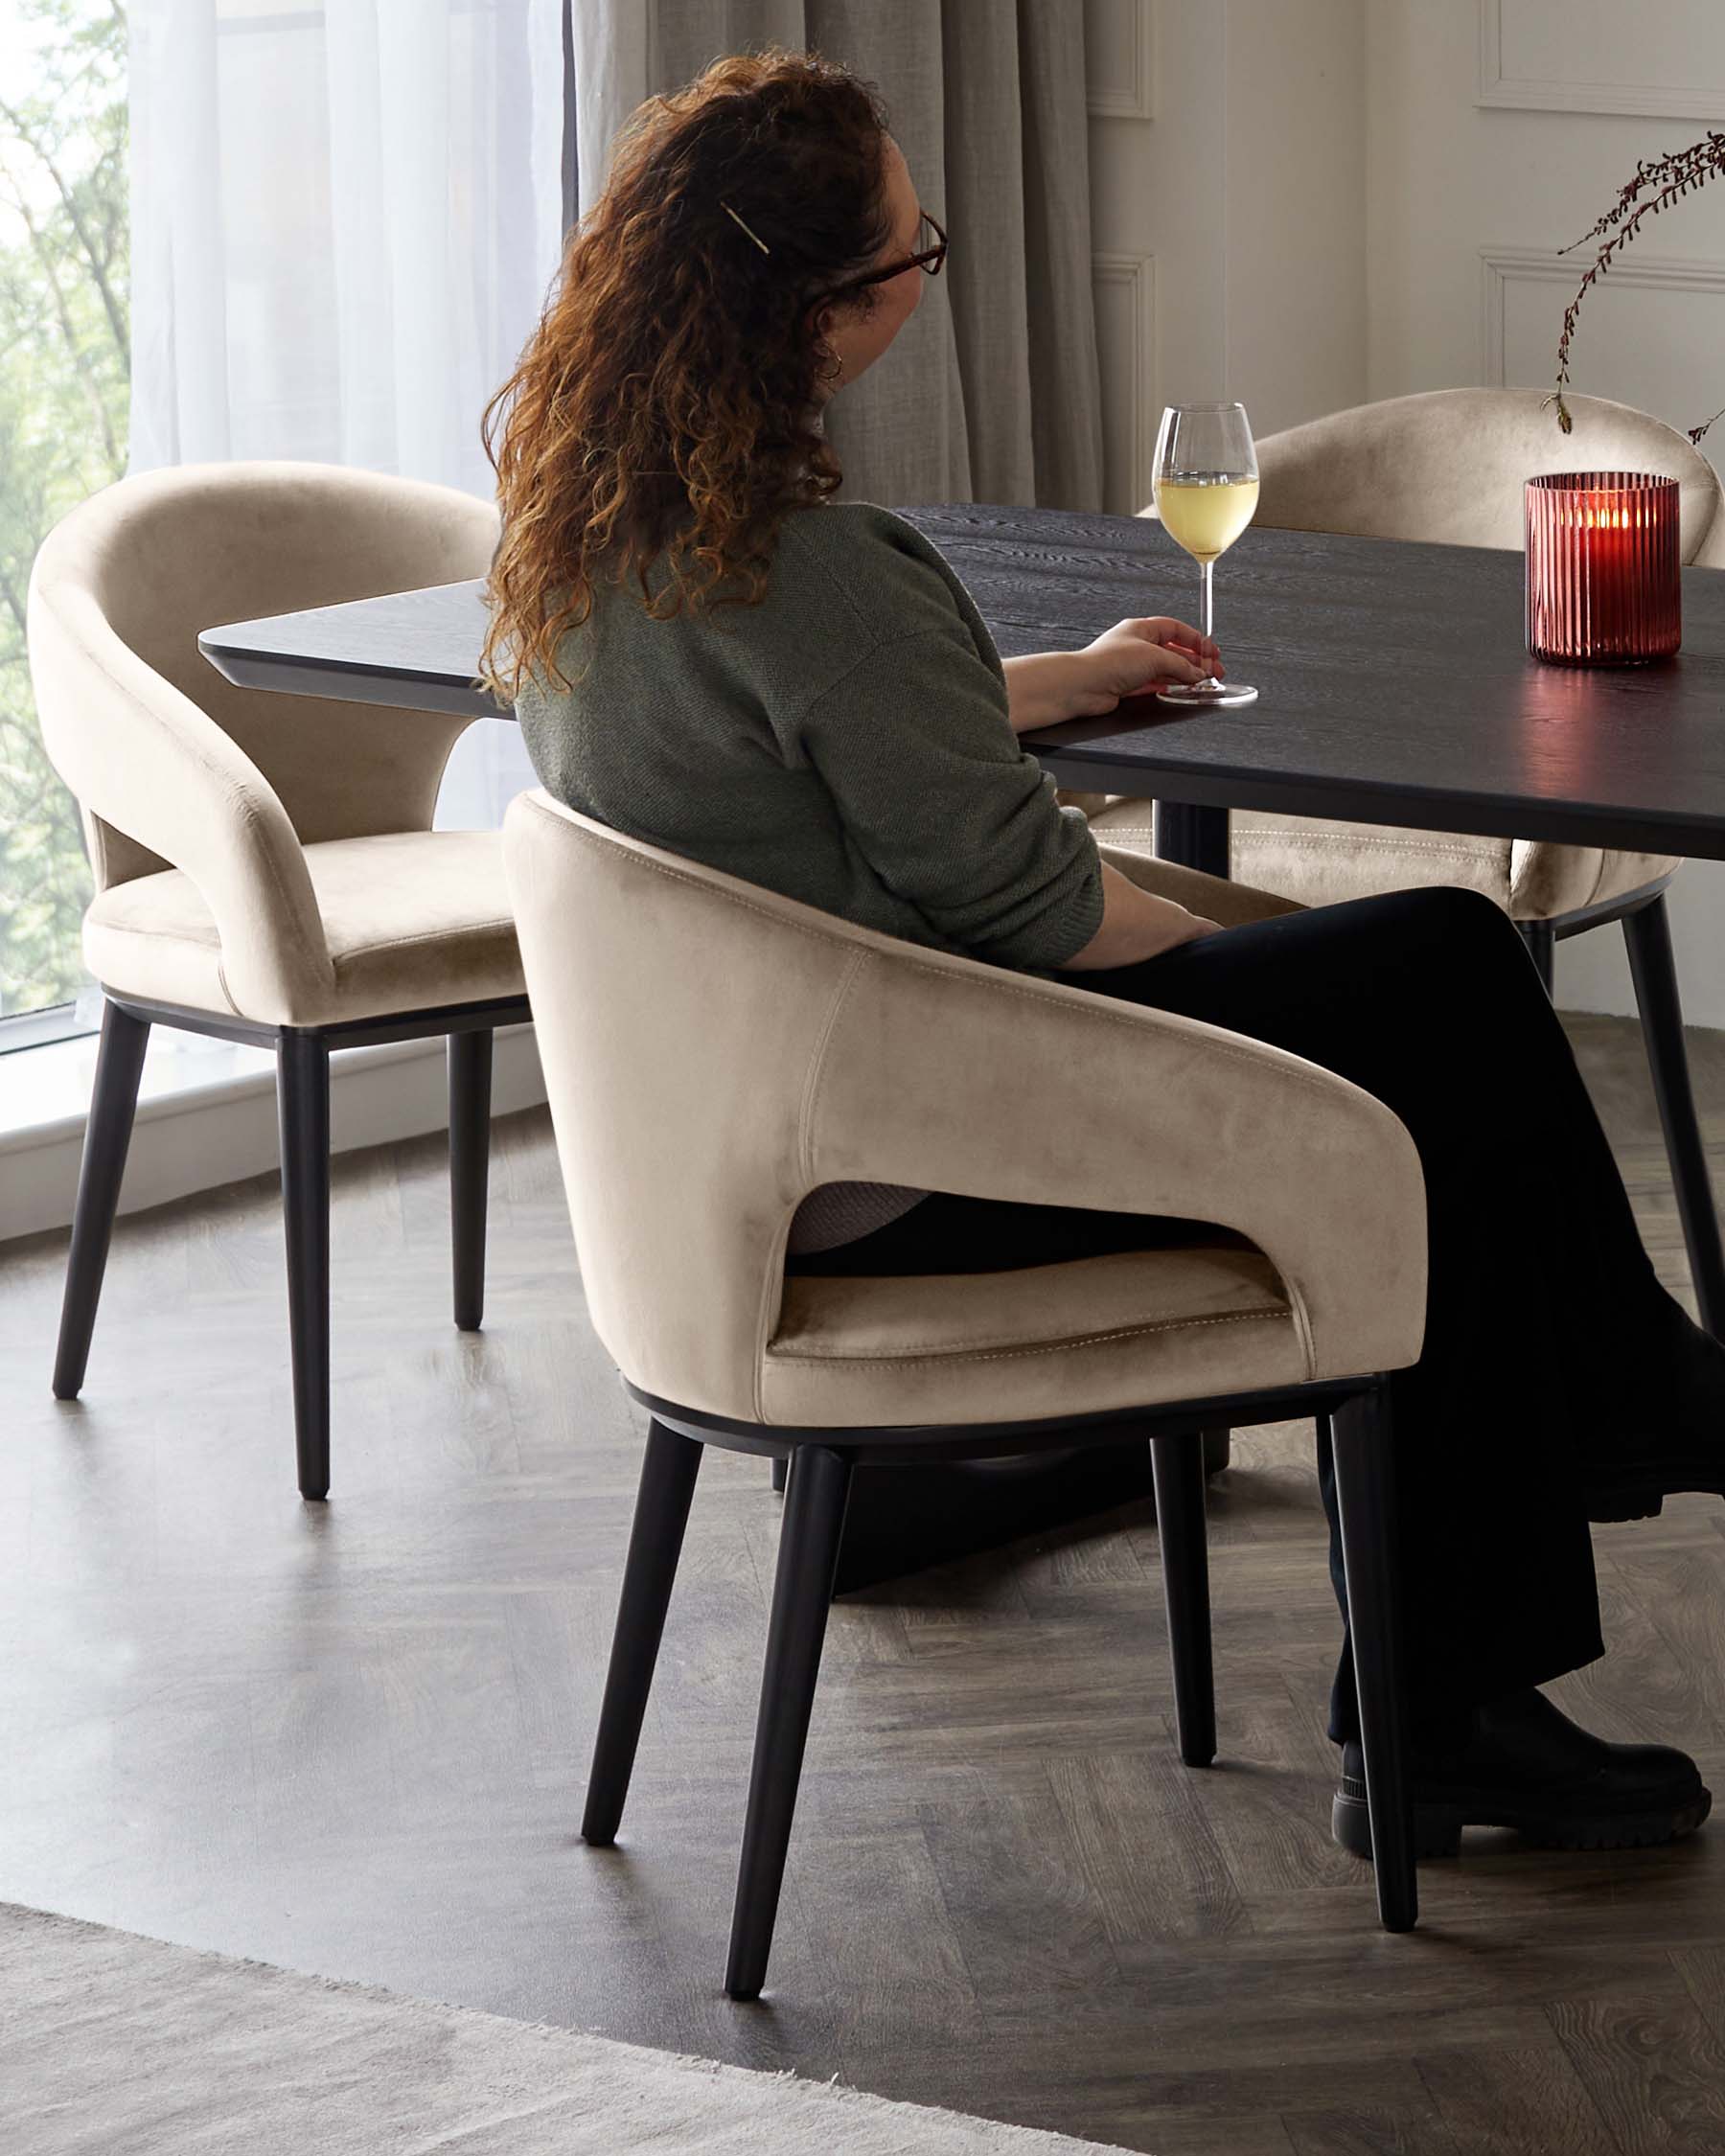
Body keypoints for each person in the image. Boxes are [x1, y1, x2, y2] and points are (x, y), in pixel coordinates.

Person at [479, 49, 1724, 1861]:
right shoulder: (827, 576)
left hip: (740, 1165)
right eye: (918, 250)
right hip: (919, 1162)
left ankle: (1516, 1590)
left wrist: (1044, 686)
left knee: (1424, 1039)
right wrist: (1272, 971)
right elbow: (1048, 917)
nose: (928, 269)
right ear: (823, 312)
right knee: (1444, 979)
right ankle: (1584, 1483)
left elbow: (793, 742)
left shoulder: (591, 546)